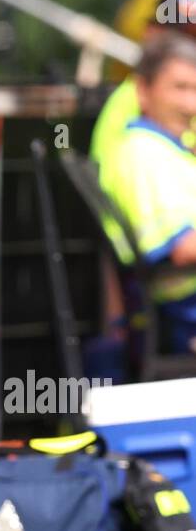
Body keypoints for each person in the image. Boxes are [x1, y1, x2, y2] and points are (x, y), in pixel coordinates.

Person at [97, 33, 196, 356]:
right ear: (143, 90)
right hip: (182, 311)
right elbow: (183, 249)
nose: (190, 104)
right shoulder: (144, 154)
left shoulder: (169, 149)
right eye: (179, 88)